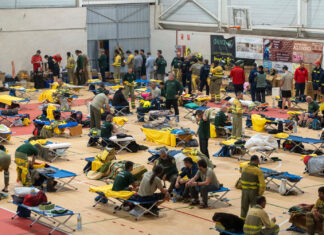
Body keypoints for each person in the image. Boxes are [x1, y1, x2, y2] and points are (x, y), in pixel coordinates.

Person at [240, 155, 266, 219]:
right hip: (254, 193)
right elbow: (262, 185)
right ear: (257, 161)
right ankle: (253, 222)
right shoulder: (258, 171)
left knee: (244, 208)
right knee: (254, 209)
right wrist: (260, 194)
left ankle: (242, 222)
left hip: (244, 191)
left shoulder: (244, 167)